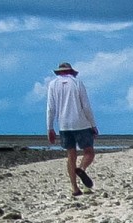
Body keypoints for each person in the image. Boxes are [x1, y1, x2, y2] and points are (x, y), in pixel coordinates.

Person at [45, 61, 98, 198]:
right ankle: (82, 169)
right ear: (71, 71)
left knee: (71, 156)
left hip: (64, 124)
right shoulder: (77, 83)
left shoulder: (52, 85)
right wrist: (93, 124)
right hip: (81, 122)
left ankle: (74, 188)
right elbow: (86, 106)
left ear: (59, 72)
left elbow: (51, 108)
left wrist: (50, 128)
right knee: (89, 152)